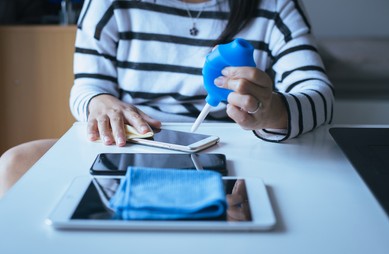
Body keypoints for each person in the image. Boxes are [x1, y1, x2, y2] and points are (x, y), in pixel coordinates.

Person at [0, 0, 334, 196]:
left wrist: (273, 112)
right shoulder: (109, 4)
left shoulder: (276, 7)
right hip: (130, 151)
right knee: (14, 163)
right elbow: (86, 87)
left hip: (240, 155)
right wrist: (99, 101)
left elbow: (319, 96)